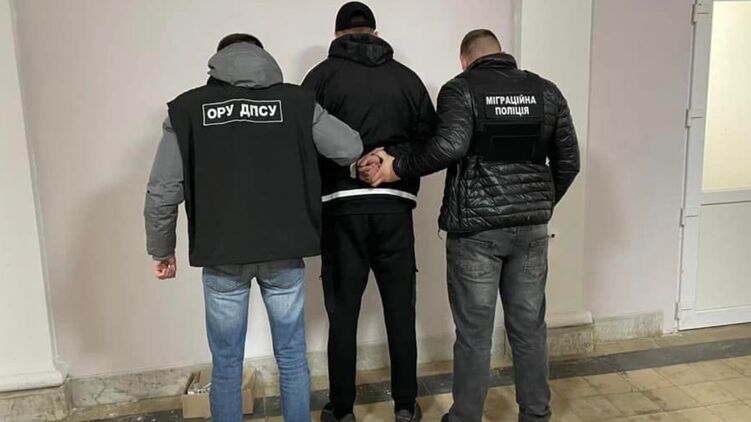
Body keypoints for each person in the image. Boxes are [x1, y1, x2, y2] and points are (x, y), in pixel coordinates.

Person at [144, 33, 363, 422]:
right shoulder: (296, 102)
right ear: (263, 58)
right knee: (292, 357)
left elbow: (162, 190)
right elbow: (348, 148)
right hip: (284, 251)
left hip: (222, 254)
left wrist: (162, 250)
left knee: (227, 363)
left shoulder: (188, 108)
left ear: (218, 62)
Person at [363, 29, 580, 422]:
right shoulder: (546, 92)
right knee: (529, 330)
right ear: (501, 53)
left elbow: (449, 145)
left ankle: (465, 417)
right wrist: (539, 204)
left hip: (476, 233)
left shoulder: (461, 89)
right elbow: (569, 162)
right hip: (531, 231)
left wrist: (398, 167)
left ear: (465, 60)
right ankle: (536, 415)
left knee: (475, 335)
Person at [302, 2, 436, 421]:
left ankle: (342, 410)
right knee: (400, 311)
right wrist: (390, 162)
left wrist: (351, 167)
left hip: (341, 212)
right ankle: (405, 407)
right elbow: (431, 141)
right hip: (395, 210)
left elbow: (302, 144)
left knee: (343, 315)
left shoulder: (320, 78)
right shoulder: (407, 79)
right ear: (375, 33)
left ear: (337, 35)